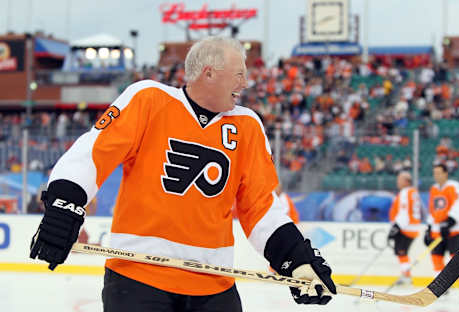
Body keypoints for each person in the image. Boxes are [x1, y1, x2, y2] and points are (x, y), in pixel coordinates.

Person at [29, 37, 336, 312]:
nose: (245, 84)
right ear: (209, 73)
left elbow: (260, 206)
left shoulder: (248, 126)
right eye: (239, 74)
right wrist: (64, 206)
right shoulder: (148, 99)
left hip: (214, 286)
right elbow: (92, 154)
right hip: (137, 279)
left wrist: (296, 259)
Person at [424, 163, 459, 299]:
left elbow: (458, 204)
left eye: (439, 172)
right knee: (436, 258)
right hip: (438, 230)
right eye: (435, 173)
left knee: (456, 259)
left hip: (454, 230)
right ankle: (441, 288)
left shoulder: (454, 186)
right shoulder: (433, 188)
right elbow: (432, 209)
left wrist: (450, 222)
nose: (436, 176)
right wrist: (428, 228)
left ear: (446, 173)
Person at [387, 171, 421, 285]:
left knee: (401, 252)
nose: (398, 182)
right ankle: (406, 275)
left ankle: (406, 276)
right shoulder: (413, 192)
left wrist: (396, 227)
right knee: (402, 252)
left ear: (406, 181)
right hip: (411, 226)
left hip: (405, 227)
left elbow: (404, 212)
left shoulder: (405, 192)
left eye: (400, 179)